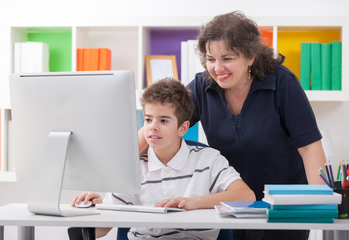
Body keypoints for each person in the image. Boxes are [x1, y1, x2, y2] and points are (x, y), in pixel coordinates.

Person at [137, 11, 327, 240]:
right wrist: (109, 179)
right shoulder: (202, 86)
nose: (218, 68)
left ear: (250, 57)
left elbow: (309, 147)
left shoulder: (281, 83)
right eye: (210, 59)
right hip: (229, 205)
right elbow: (159, 122)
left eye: (227, 58)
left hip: (281, 207)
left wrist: (321, 204)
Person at [73, 78, 255, 239]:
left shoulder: (207, 160)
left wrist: (193, 203)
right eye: (148, 119)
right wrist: (92, 211)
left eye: (164, 120)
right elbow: (100, 230)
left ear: (183, 128)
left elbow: (246, 196)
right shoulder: (134, 167)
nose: (153, 127)